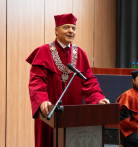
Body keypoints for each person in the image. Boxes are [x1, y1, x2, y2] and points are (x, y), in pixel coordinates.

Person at [26, 13, 109, 147]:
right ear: (56, 30)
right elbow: (36, 82)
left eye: (73, 28)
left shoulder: (80, 53)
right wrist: (42, 100)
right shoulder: (43, 51)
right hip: (50, 111)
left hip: (73, 112)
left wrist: (98, 98)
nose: (71, 31)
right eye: (66, 27)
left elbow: (89, 82)